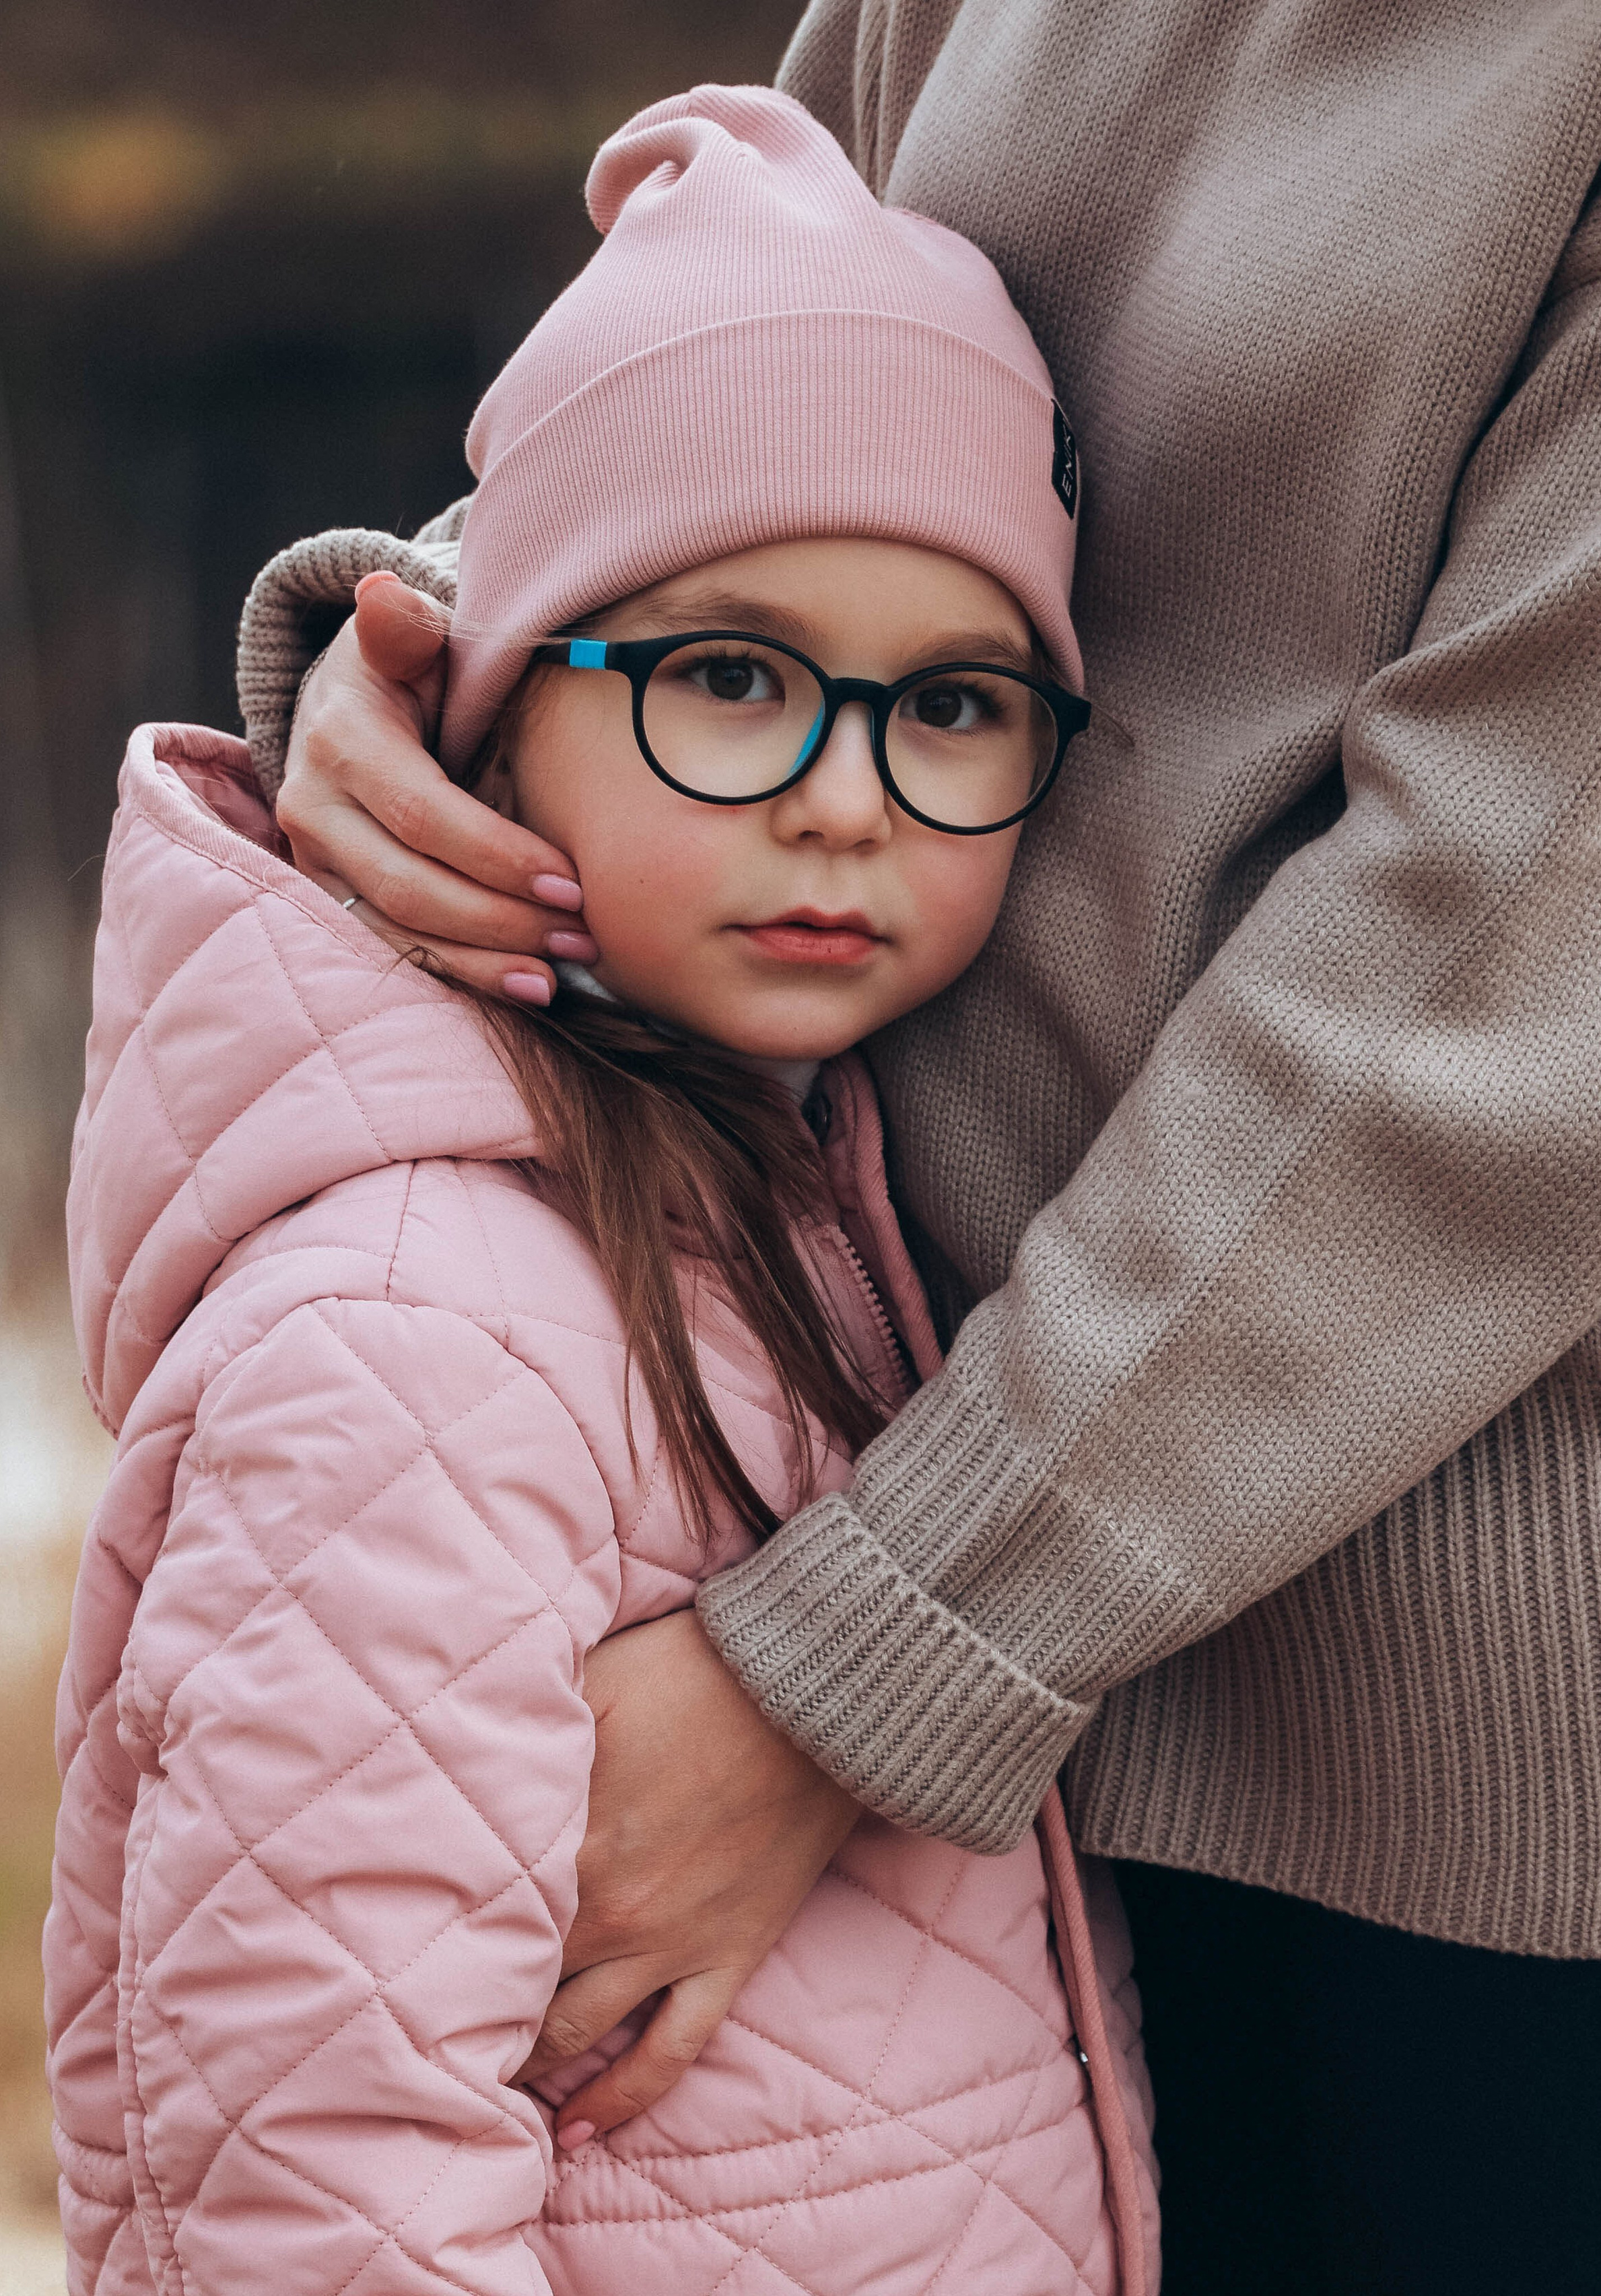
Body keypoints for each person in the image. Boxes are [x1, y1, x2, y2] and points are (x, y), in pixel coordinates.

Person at [241, 3, 1601, 2289]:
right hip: (867, 1566)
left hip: (1458, 1845)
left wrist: (867, 1654)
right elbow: (781, 326)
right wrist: (453, 638)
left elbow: (1525, 951)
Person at [45, 88, 1160, 2296]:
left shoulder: (816, 1216)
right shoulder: (418, 1325)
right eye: (727, 680)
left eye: (948, 703)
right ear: (483, 701)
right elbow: (318, 2164)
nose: (848, 799)